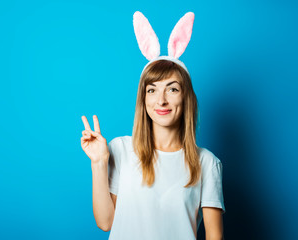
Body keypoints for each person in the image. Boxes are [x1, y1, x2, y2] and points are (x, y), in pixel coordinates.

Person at [80, 11, 225, 240]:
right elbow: (105, 222)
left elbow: (215, 236)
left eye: (173, 89)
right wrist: (98, 162)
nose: (161, 100)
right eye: (152, 90)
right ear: (143, 99)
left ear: (186, 98)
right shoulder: (121, 149)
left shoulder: (207, 163)